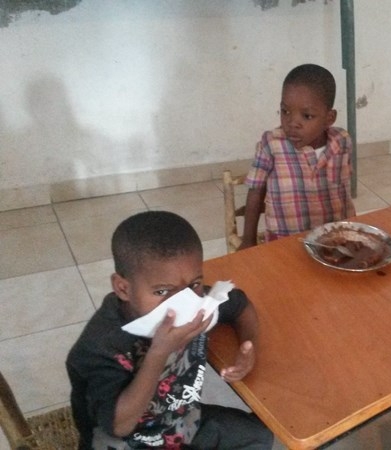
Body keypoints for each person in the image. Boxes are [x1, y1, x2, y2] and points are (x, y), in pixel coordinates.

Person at [66, 211, 273, 449]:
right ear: (123, 288)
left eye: (193, 284)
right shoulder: (101, 346)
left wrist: (250, 347)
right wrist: (159, 353)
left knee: (258, 436)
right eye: (162, 292)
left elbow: (240, 305)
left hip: (180, 423)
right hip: (126, 443)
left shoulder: (196, 302)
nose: (182, 303)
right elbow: (119, 425)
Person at [239, 63, 355, 249]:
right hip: (284, 241)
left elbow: (344, 192)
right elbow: (255, 192)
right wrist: (248, 239)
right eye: (285, 111)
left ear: (329, 118)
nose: (292, 123)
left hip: (333, 237)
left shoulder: (342, 142)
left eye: (307, 116)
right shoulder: (271, 144)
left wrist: (351, 229)